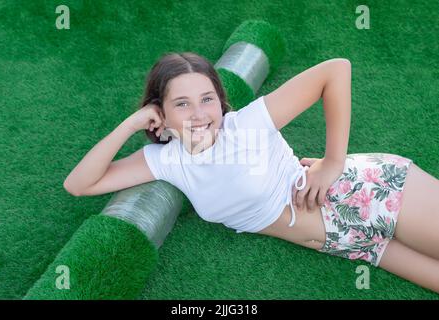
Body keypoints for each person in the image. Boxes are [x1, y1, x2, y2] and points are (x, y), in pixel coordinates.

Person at [63, 52, 439, 294]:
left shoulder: (244, 126)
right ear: (159, 112)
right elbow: (80, 184)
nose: (199, 114)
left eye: (207, 99)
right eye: (182, 103)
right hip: (350, 242)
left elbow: (335, 70)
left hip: (373, 194)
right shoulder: (165, 161)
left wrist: (334, 163)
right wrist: (129, 125)